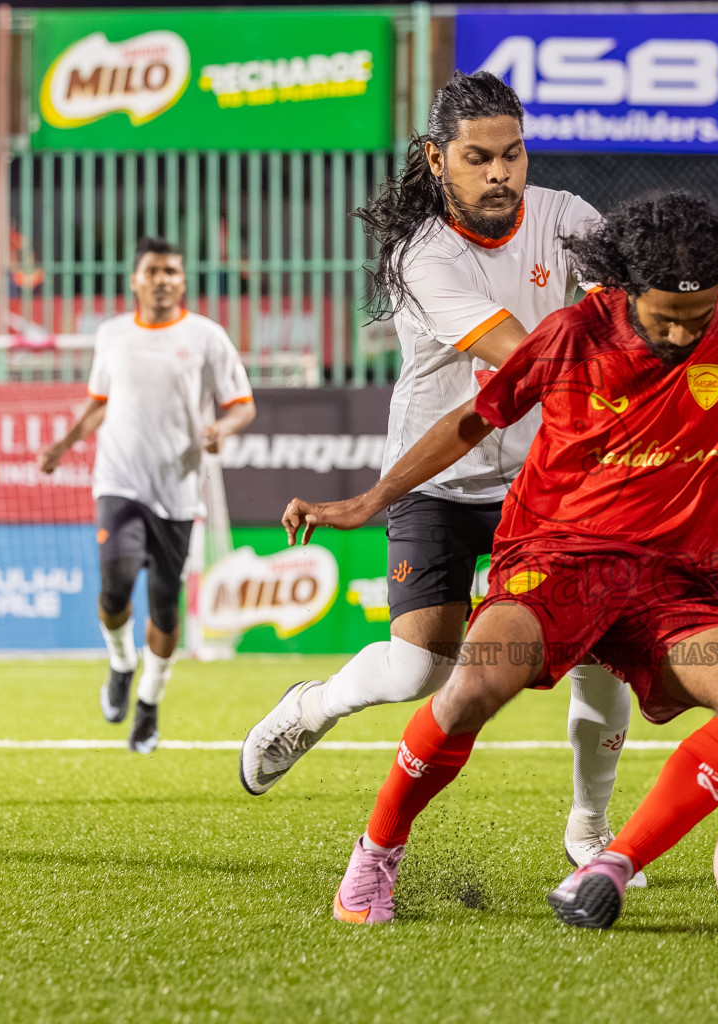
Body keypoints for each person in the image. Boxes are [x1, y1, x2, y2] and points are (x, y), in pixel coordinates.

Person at [283, 193, 718, 929]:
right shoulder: (569, 335)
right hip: (555, 571)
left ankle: (612, 866)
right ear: (621, 286)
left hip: (670, 592)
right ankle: (375, 856)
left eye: (699, 315)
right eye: (664, 317)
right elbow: (470, 420)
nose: (684, 333)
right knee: (465, 693)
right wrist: (369, 500)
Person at [237, 71, 647, 884]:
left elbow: (627, 322)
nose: (501, 173)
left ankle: (591, 826)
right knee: (420, 665)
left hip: (544, 481)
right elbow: (521, 360)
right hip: (436, 475)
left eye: (513, 153)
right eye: (478, 157)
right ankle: (310, 708)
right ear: (436, 159)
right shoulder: (420, 254)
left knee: (605, 647)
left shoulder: (569, 219)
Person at [39, 236, 255, 754]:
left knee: (164, 607)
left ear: (183, 281)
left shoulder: (206, 336)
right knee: (114, 583)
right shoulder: (112, 335)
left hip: (178, 490)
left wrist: (223, 431)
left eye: (172, 272)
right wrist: (64, 445)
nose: (163, 280)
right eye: (153, 271)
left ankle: (150, 702)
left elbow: (242, 404)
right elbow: (99, 404)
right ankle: (119, 663)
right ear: (134, 280)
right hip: (119, 481)